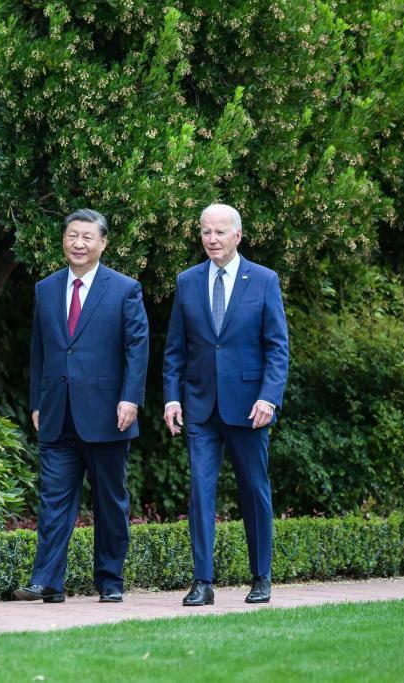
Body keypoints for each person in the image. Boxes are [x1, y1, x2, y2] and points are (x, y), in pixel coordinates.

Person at [14, 209, 149, 604]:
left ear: (103, 243)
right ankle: (47, 581)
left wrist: (130, 397)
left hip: (108, 413)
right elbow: (40, 349)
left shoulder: (125, 288)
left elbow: (137, 348)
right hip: (57, 413)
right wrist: (37, 401)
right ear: (64, 239)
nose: (78, 243)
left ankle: (110, 580)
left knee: (110, 501)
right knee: (53, 501)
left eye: (87, 237)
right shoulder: (46, 288)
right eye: (72, 235)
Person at [163, 203, 289, 606]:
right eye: (205, 232)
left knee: (254, 489)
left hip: (250, 408)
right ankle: (202, 582)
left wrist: (269, 397)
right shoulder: (187, 281)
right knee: (200, 492)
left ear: (238, 234)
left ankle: (261, 576)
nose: (211, 239)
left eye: (219, 232)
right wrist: (171, 398)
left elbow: (277, 347)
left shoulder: (265, 280)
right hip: (200, 407)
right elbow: (174, 350)